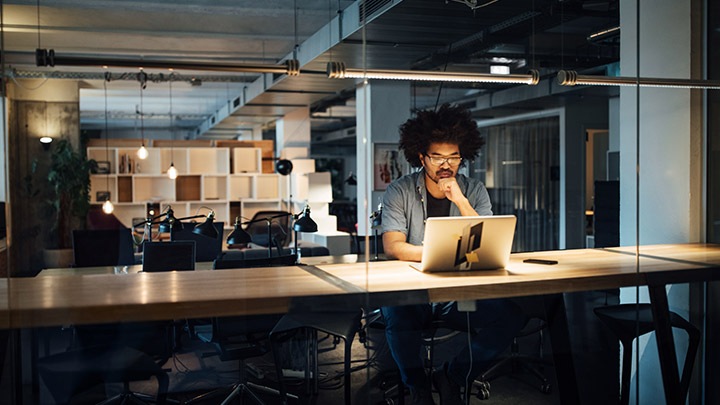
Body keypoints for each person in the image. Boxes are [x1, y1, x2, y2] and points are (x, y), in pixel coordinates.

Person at [380, 104, 525, 405]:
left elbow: (485, 239)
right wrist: (440, 254)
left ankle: (454, 375)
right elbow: (394, 246)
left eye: (453, 157)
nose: (446, 165)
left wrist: (459, 199)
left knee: (511, 316)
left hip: (459, 295)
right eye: (437, 157)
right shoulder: (399, 190)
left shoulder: (473, 190)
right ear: (421, 157)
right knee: (397, 314)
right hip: (414, 291)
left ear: (463, 156)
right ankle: (417, 386)